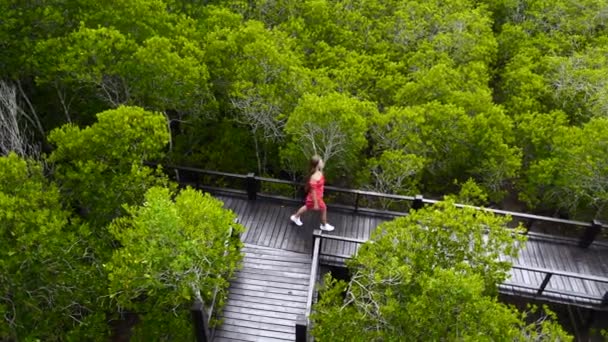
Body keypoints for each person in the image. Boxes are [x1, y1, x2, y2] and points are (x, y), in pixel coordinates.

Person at [290, 155, 335, 231]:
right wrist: (316, 204)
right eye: (321, 161)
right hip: (315, 198)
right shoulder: (314, 177)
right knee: (324, 208)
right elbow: (313, 191)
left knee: (307, 206)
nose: (322, 162)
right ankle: (324, 225)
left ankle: (295, 217)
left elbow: (320, 186)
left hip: (317, 197)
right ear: (317, 164)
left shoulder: (319, 172)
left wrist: (321, 193)